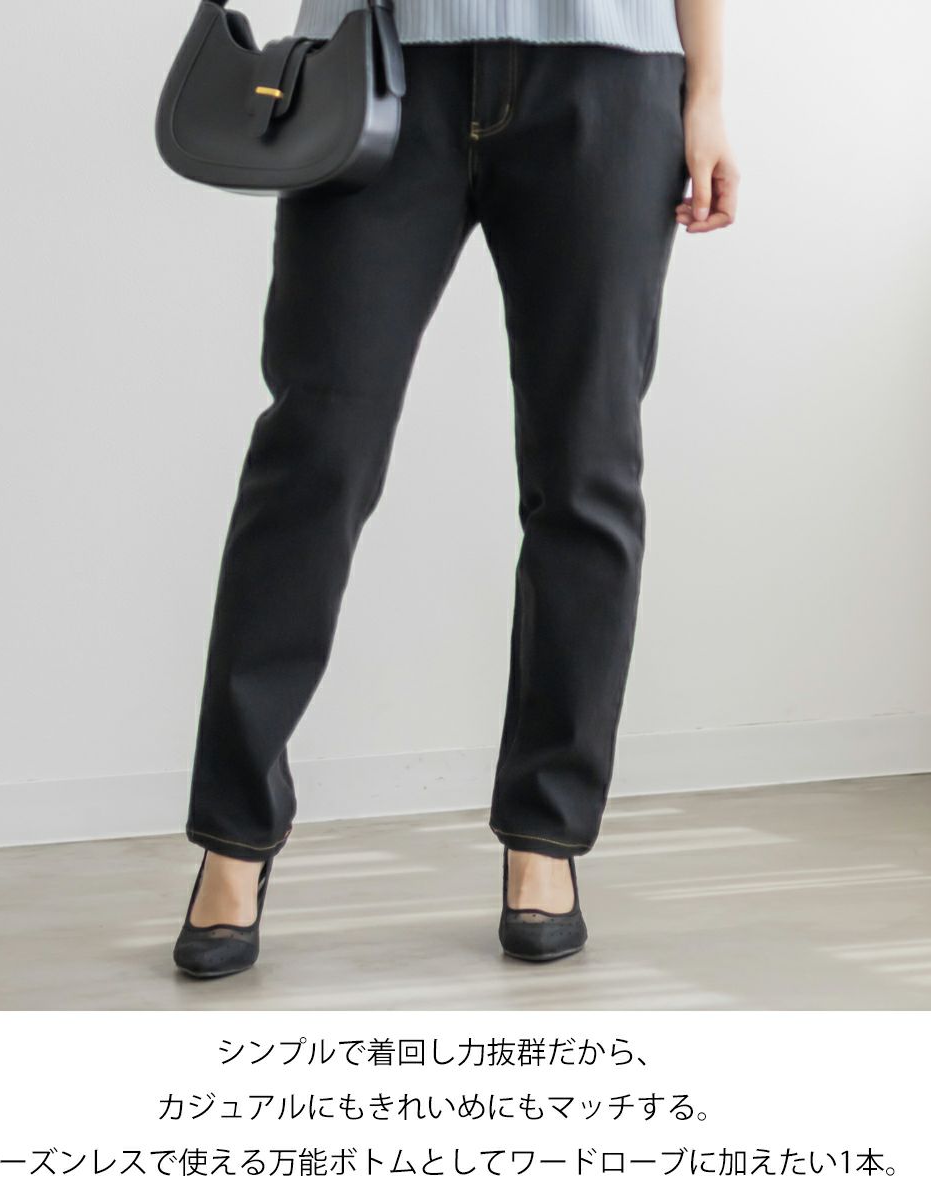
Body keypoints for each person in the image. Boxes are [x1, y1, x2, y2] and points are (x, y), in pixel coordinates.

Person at [173, 0, 739, 977]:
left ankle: (545, 834)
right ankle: (234, 832)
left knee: (587, 467)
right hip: (374, 67)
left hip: (605, 74)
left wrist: (709, 93)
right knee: (313, 456)